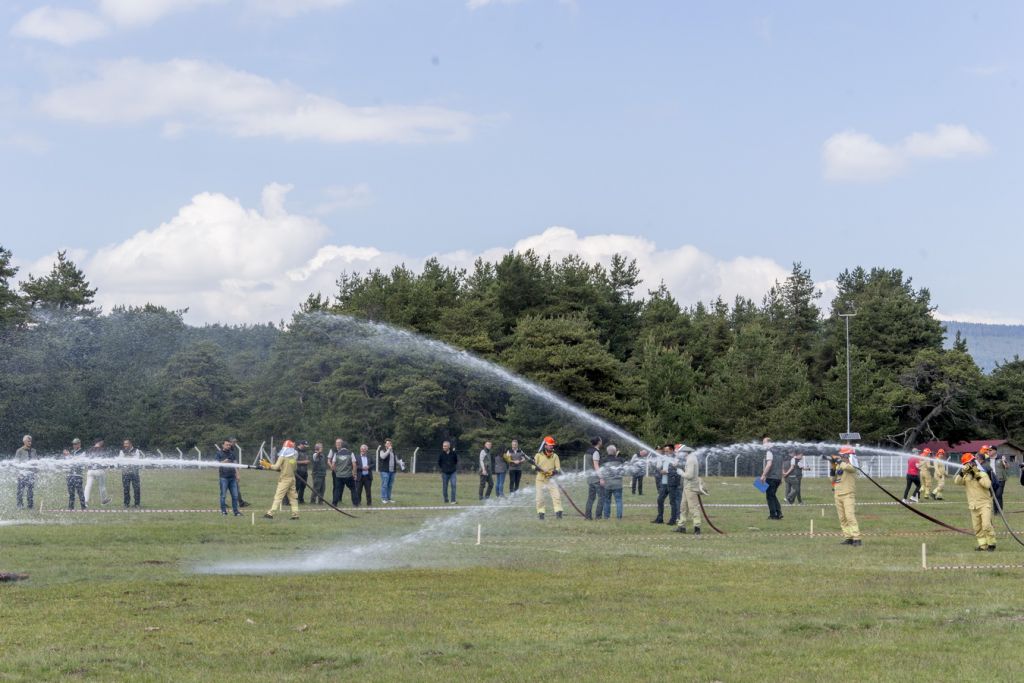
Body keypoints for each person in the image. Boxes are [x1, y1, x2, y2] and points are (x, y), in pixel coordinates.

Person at [954, 453, 996, 551]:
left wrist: (977, 474)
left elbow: (988, 484)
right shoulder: (966, 476)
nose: (968, 466)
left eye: (969, 463)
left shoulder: (982, 473)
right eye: (966, 464)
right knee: (977, 528)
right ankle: (983, 545)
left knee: (986, 525)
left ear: (974, 462)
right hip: (973, 505)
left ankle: (991, 544)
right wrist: (962, 472)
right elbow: (957, 482)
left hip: (985, 504)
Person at [261, 440, 300, 520]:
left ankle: (270, 514)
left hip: (285, 479)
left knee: (278, 497)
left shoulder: (282, 456)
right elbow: (294, 468)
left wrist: (266, 464)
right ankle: (295, 515)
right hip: (292, 479)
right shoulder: (293, 458)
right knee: (293, 498)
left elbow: (276, 467)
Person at [832, 446, 862, 546]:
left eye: (842, 455)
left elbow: (848, 468)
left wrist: (839, 461)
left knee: (850, 516)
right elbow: (834, 479)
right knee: (842, 518)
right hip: (838, 494)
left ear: (847, 455)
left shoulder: (852, 465)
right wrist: (832, 466)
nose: (841, 456)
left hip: (848, 494)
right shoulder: (840, 465)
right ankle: (848, 537)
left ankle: (856, 538)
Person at [533, 436, 563, 520]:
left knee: (556, 496)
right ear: (545, 445)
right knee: (540, 497)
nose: (551, 446)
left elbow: (558, 467)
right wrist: (537, 468)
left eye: (552, 445)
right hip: (540, 480)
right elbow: (533, 465)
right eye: (550, 445)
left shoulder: (555, 456)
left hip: (551, 480)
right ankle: (541, 513)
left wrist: (554, 472)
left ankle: (558, 512)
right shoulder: (538, 455)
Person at [674, 445, 701, 535]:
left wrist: (681, 473)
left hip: (691, 488)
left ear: (685, 452)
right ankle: (681, 526)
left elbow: (689, 475)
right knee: (683, 507)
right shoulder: (689, 459)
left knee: (693, 508)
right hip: (687, 487)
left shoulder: (691, 460)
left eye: (679, 452)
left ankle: (697, 528)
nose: (679, 454)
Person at [652, 445, 680, 525]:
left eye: (667, 451)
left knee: (672, 502)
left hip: (672, 483)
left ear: (672, 450)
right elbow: (659, 467)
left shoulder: (676, 458)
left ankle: (673, 520)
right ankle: (660, 518)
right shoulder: (664, 458)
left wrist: (667, 472)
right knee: (660, 500)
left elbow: (678, 471)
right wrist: (660, 470)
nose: (665, 452)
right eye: (664, 451)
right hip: (664, 483)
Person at [759, 436, 783, 520]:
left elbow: (769, 464)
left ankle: (773, 515)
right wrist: (781, 477)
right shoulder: (779, 452)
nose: (763, 445)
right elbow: (780, 466)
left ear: (769, 443)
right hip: (778, 478)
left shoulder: (769, 452)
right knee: (772, 495)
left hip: (771, 477)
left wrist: (763, 475)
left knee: (769, 496)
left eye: (764, 443)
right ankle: (779, 513)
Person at [216, 438, 241, 516]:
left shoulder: (232, 453)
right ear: (223, 445)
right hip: (223, 478)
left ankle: (236, 512)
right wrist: (224, 462)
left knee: (235, 496)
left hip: (232, 478)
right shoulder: (218, 453)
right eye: (227, 445)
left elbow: (235, 464)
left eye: (229, 445)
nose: (228, 446)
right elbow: (216, 464)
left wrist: (237, 474)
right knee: (223, 495)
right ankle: (224, 512)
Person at [600, 444, 625, 519]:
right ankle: (619, 517)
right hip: (618, 484)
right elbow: (623, 471)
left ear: (607, 452)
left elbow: (602, 472)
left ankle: (606, 517)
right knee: (619, 501)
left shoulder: (604, 460)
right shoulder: (620, 460)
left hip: (607, 484)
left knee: (607, 501)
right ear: (615, 451)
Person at [84, 439, 111, 507]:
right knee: (102, 486)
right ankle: (103, 500)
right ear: (100, 442)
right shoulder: (103, 449)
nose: (103, 443)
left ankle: (85, 501)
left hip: (90, 470)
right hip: (99, 470)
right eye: (102, 441)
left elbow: (86, 460)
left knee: (88, 486)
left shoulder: (89, 450)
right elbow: (105, 461)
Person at [329, 439, 355, 506]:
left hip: (339, 475)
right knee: (353, 489)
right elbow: (354, 464)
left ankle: (334, 503)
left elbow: (333, 465)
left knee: (337, 489)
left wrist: (336, 472)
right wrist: (354, 473)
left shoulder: (336, 454)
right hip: (348, 475)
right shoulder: (350, 453)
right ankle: (355, 503)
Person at [14, 435, 37, 509]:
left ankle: (30, 505)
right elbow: (16, 463)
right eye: (28, 441)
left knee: (30, 491)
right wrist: (18, 473)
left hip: (31, 474)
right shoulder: (19, 451)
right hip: (22, 474)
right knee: (20, 491)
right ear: (24, 442)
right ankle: (20, 505)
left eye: (30, 441)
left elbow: (36, 462)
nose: (30, 442)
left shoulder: (34, 451)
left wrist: (36, 472)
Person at [584, 436, 604, 520]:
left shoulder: (587, 452)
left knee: (590, 498)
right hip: (596, 479)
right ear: (599, 442)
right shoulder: (596, 452)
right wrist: (601, 478)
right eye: (601, 440)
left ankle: (587, 516)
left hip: (590, 478)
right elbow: (596, 466)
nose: (602, 442)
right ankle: (598, 517)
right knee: (601, 497)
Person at [118, 438, 142, 508]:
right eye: (124, 444)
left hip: (134, 473)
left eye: (126, 443)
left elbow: (136, 460)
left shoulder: (136, 450)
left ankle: (137, 504)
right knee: (126, 488)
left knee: (136, 488)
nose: (125, 445)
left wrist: (127, 460)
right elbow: (121, 460)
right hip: (125, 473)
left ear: (130, 444)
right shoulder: (122, 451)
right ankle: (126, 503)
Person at [227, 437, 250, 508]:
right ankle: (240, 502)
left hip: (230, 471)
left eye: (235, 442)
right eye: (233, 442)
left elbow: (234, 461)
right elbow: (233, 462)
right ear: (230, 442)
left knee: (233, 488)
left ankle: (240, 502)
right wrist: (237, 473)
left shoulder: (232, 449)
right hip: (229, 472)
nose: (234, 444)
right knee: (232, 488)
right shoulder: (229, 450)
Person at [65, 438, 87, 510]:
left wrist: (69, 455)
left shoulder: (83, 452)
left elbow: (78, 461)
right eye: (73, 444)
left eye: (75, 444)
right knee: (71, 493)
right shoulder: (71, 452)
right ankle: (70, 507)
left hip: (78, 475)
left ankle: (83, 507)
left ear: (79, 444)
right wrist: (67, 456)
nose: (74, 445)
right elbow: (68, 462)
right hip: (70, 475)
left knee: (80, 492)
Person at [378, 438, 398, 504]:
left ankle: (388, 498)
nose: (388, 444)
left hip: (392, 471)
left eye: (389, 443)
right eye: (387, 443)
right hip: (384, 471)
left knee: (390, 485)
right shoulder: (382, 450)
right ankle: (384, 498)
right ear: (385, 445)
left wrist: (401, 463)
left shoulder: (393, 451)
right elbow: (382, 457)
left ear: (391, 444)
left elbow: (396, 460)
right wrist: (388, 450)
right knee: (385, 485)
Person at [989, 446, 1008, 511]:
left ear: (995, 451)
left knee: (998, 495)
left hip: (1000, 479)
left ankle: (1000, 512)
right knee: (994, 496)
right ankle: (995, 512)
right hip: (991, 480)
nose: (988, 451)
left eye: (990, 450)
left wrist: (1004, 461)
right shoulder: (987, 459)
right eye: (988, 450)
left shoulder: (1001, 457)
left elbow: (1007, 467)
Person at [293, 440, 311, 504]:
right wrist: (304, 462)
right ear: (301, 444)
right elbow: (293, 461)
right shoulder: (296, 451)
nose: (305, 447)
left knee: (303, 486)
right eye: (304, 446)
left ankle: (301, 500)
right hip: (298, 471)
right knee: (297, 486)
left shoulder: (305, 451)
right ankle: (294, 500)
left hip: (304, 471)